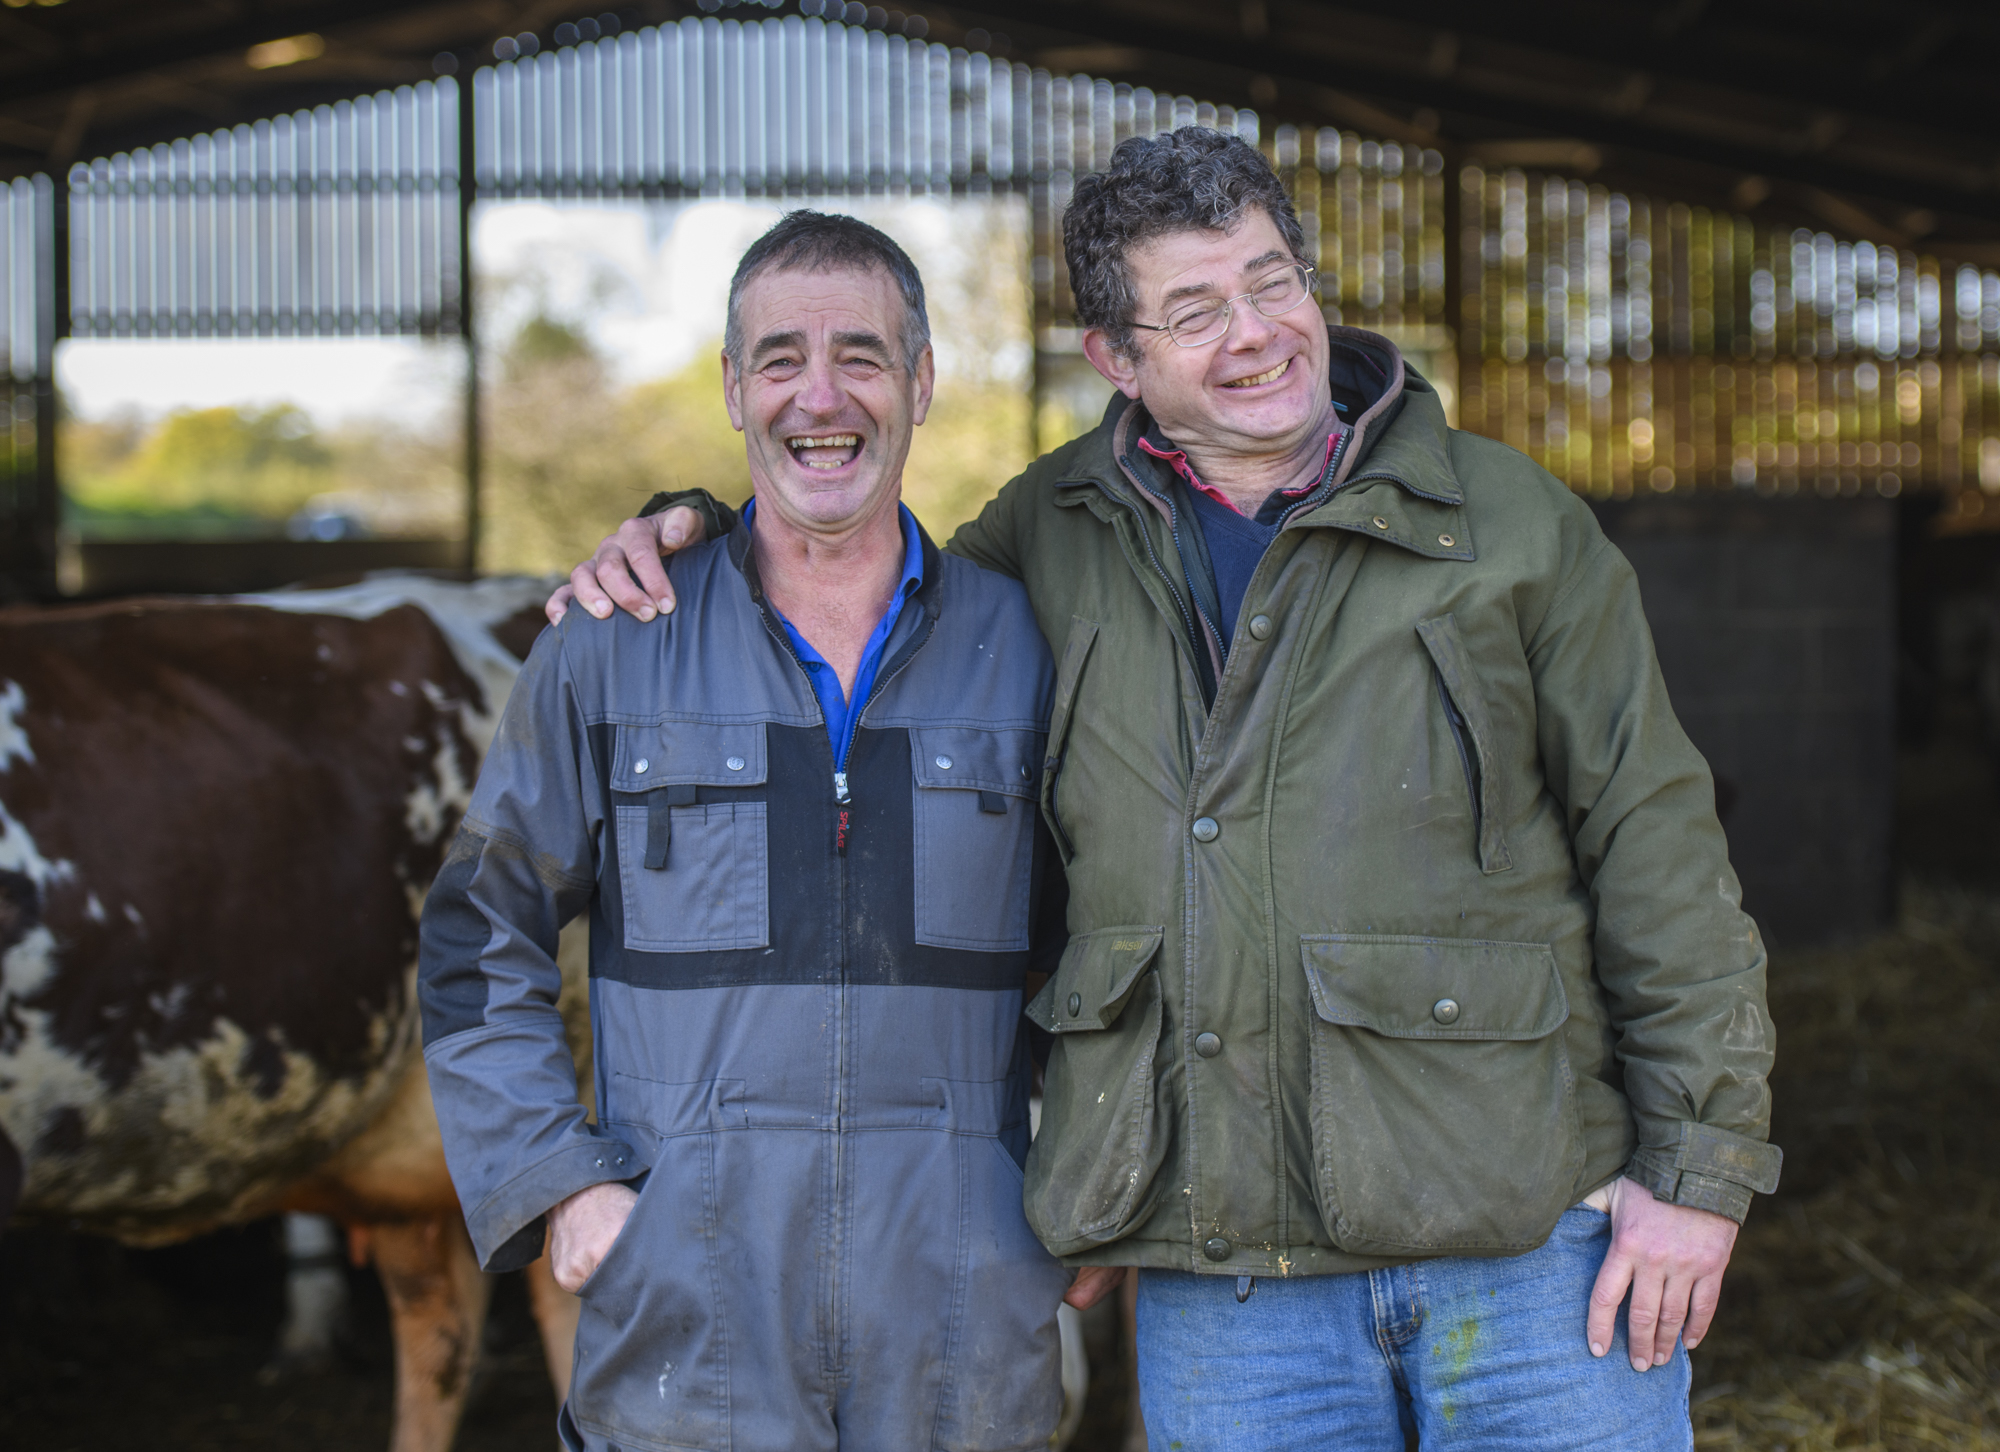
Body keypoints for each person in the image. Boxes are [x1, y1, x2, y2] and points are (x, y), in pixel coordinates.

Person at [551, 130, 1781, 1450]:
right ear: (1116, 359)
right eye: (1196, 312)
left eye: (1271, 283)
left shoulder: (1513, 528)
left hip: (1536, 1252)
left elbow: (1656, 853)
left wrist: (1698, 1175)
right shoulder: (1044, 540)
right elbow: (854, 592)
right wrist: (689, 537)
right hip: (1226, 1280)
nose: (1257, 334)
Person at [418, 211, 1071, 1452]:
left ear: (920, 383)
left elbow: (1116, 941)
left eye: (861, 356)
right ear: (733, 389)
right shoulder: (611, 645)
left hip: (961, 1324)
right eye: (778, 359)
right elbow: (474, 933)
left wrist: (1073, 1203)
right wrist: (560, 1181)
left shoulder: (1028, 648)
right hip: (688, 1325)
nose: (817, 396)